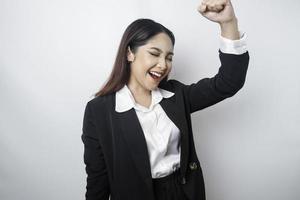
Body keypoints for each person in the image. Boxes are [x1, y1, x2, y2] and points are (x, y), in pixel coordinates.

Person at [81, 0, 249, 199]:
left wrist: (228, 23)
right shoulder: (99, 111)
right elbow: (97, 180)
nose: (163, 65)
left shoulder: (176, 95)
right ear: (129, 53)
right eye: (154, 54)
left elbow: (229, 82)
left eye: (169, 57)